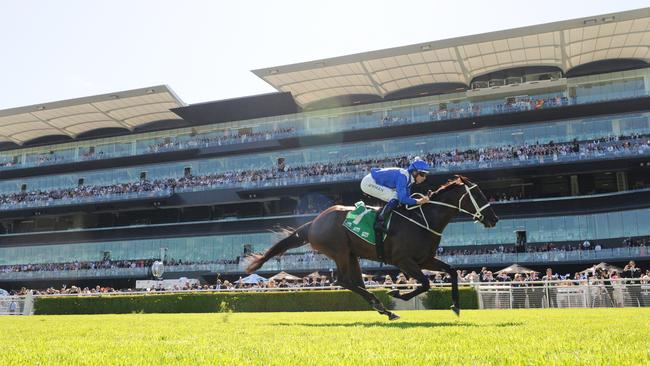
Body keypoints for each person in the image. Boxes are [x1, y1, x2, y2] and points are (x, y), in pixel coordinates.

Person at [360, 158, 431, 260]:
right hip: (369, 182)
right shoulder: (404, 177)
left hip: (374, 181)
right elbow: (402, 199)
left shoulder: (408, 179)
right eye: (423, 174)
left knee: (396, 197)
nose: (424, 178)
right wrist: (419, 201)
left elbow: (407, 199)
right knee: (395, 196)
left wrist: (419, 201)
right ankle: (380, 221)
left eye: (425, 175)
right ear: (415, 173)